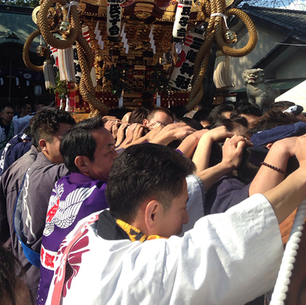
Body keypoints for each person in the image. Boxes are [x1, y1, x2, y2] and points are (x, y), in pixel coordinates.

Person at [44, 137, 306, 305]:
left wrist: (225, 165)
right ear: (152, 213)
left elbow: (188, 188)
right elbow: (229, 240)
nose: (187, 216)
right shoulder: (143, 275)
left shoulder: (90, 225)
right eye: (182, 208)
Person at [37, 117, 117, 304]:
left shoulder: (64, 182)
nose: (117, 156)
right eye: (109, 151)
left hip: (48, 290)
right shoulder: (97, 197)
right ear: (82, 163)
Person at [0, 107, 75, 303]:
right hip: (30, 269)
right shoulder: (29, 170)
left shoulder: (39, 165)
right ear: (44, 144)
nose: (72, 144)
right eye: (66, 138)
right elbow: (16, 228)